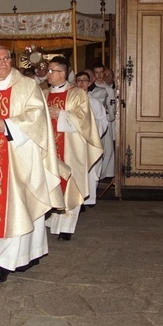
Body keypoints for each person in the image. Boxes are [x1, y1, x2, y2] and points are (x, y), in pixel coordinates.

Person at [0, 46, 64, 283]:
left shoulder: (27, 86)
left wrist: (7, 125)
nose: (3, 63)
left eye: (6, 58)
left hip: (21, 155)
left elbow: (37, 115)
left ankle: (22, 255)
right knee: (0, 207)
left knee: (23, 205)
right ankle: (7, 260)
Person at [44, 58, 102, 241]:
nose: (48, 74)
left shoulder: (78, 94)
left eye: (52, 71)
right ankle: (54, 222)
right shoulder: (43, 93)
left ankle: (67, 227)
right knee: (51, 181)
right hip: (48, 147)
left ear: (61, 73)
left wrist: (62, 114)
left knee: (69, 182)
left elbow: (85, 120)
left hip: (70, 147)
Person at [74, 71, 109, 208]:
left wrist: (91, 130)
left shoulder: (94, 102)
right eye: (78, 80)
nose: (81, 83)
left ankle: (89, 198)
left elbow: (103, 121)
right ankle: (78, 199)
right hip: (75, 142)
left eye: (84, 80)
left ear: (89, 83)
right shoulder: (72, 100)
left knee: (91, 171)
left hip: (91, 141)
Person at [92, 62, 116, 180]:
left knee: (108, 149)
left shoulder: (108, 88)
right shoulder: (90, 87)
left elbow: (111, 105)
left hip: (105, 120)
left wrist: (109, 117)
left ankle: (104, 173)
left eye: (101, 72)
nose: (100, 75)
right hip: (93, 121)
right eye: (97, 73)